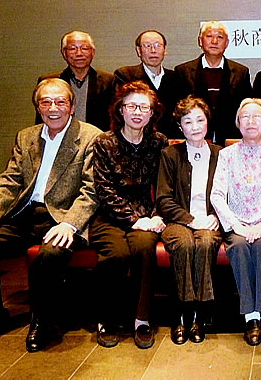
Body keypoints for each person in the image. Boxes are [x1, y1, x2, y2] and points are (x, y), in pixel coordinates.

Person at [0, 78, 101, 352]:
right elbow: (9, 181)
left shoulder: (91, 137)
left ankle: (41, 322)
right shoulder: (26, 136)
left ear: (72, 106)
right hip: (24, 213)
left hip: (62, 215)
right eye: (46, 102)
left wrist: (70, 224)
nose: (53, 108)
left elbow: (92, 190)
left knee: (50, 254)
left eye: (60, 101)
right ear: (38, 107)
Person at [90, 81, 168, 349]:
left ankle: (141, 319)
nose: (137, 112)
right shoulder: (104, 142)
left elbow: (164, 184)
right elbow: (103, 189)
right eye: (131, 106)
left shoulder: (159, 142)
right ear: (120, 110)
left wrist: (156, 216)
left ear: (152, 113)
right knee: (116, 254)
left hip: (147, 213)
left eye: (144, 107)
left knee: (144, 249)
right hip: (109, 215)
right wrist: (135, 220)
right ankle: (107, 319)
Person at [210, 98, 261, 346]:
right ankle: (251, 317)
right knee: (240, 246)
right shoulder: (226, 154)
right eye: (245, 116)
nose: (251, 121)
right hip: (237, 221)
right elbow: (217, 195)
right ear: (237, 123)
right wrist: (236, 225)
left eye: (257, 116)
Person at [156, 96, 222, 345]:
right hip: (177, 220)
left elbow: (230, 194)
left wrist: (216, 216)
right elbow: (163, 199)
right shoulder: (169, 154)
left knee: (205, 243)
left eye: (200, 120)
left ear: (208, 122)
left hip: (211, 220)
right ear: (180, 127)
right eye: (188, 121)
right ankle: (181, 313)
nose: (195, 127)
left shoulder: (220, 154)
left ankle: (200, 314)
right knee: (183, 244)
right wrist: (191, 220)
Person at [174, 21, 253, 145]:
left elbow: (246, 108)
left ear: (227, 43)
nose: (214, 41)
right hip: (194, 139)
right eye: (209, 36)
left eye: (220, 37)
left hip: (231, 140)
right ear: (200, 41)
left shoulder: (241, 72)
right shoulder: (183, 72)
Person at [38, 31, 113, 131]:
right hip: (59, 136)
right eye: (72, 48)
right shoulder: (49, 81)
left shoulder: (108, 81)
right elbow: (41, 119)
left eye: (84, 48)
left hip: (98, 136)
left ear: (93, 52)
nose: (79, 53)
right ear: (64, 53)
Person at [114, 30, 180, 138]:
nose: (153, 50)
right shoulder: (125, 75)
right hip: (137, 139)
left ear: (165, 50)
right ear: (138, 51)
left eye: (158, 45)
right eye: (147, 46)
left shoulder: (176, 77)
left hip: (171, 139)